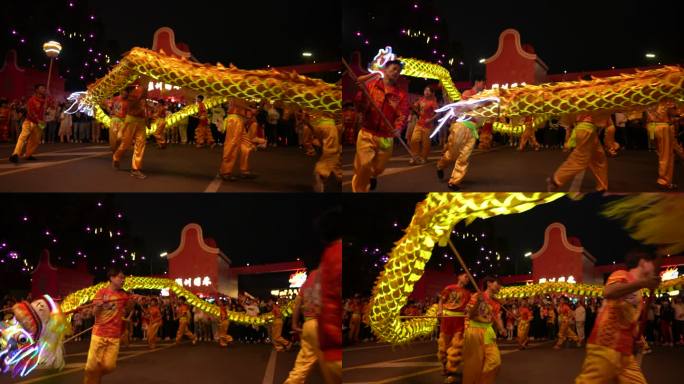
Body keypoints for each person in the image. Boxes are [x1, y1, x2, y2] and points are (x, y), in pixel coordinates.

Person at [575, 249, 660, 383]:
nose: (654, 267)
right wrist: (643, 283)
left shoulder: (638, 291)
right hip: (605, 346)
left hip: (625, 354)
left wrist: (636, 339)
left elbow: (630, 320)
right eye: (651, 263)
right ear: (643, 263)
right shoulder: (622, 275)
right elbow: (609, 292)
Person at [352, 60, 409, 192]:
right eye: (394, 69)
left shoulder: (400, 95)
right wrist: (361, 94)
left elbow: (403, 114)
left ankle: (373, 175)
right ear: (385, 69)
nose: (396, 72)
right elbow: (360, 107)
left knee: (378, 168)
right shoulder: (371, 86)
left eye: (398, 71)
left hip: (386, 137)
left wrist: (398, 128)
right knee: (364, 165)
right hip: (367, 132)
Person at [83, 267, 132, 384]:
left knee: (110, 366)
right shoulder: (101, 292)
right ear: (111, 278)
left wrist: (131, 301)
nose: (123, 280)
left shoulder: (123, 294)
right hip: (99, 334)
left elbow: (129, 308)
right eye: (120, 277)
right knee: (91, 367)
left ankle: (95, 377)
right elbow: (94, 313)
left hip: (114, 336)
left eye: (124, 278)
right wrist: (98, 306)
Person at [436, 80, 485, 190]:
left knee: (464, 157)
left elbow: (482, 117)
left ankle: (454, 182)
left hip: (472, 131)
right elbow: (462, 108)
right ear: (477, 82)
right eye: (483, 83)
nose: (484, 85)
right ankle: (440, 166)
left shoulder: (483, 98)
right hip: (461, 127)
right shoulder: (467, 94)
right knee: (452, 154)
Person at [547, 110, 609, 192]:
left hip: (589, 130)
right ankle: (556, 179)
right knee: (580, 159)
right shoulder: (581, 100)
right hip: (585, 129)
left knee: (599, 158)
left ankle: (602, 185)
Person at [462, 276, 506, 384]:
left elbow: (497, 318)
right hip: (474, 331)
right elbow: (469, 315)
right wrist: (478, 302)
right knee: (474, 365)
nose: (499, 286)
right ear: (489, 284)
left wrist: (501, 328)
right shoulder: (477, 296)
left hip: (488, 332)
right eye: (497, 283)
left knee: (495, 361)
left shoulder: (496, 302)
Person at [283, 269, 320, 384]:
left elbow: (297, 305)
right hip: (322, 324)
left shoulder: (306, 284)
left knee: (302, 365)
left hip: (308, 324)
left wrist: (294, 324)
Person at [437, 272, 471, 383]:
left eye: (469, 278)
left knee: (456, 346)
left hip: (459, 321)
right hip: (447, 319)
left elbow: (468, 308)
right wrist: (440, 310)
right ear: (459, 277)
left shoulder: (468, 293)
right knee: (444, 346)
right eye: (466, 276)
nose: (467, 279)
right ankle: (444, 365)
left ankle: (451, 370)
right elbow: (441, 300)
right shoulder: (449, 288)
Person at [112, 81, 149, 179]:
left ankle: (135, 169)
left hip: (141, 122)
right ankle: (116, 157)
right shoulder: (134, 94)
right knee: (126, 144)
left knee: (141, 144)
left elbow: (145, 107)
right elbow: (137, 99)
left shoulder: (142, 93)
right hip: (131, 121)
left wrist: (147, 120)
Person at [646, 99, 683, 190]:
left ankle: (664, 178)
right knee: (667, 155)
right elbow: (673, 114)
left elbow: (647, 117)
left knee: (661, 151)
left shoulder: (650, 100)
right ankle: (664, 180)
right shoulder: (667, 100)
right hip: (663, 127)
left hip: (652, 127)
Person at [219, 100, 257, 181]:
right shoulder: (237, 89)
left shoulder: (245, 91)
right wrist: (249, 108)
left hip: (239, 120)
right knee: (232, 145)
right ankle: (225, 172)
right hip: (234, 119)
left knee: (246, 144)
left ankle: (244, 171)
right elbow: (236, 101)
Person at [9, 84, 47, 163]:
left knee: (35, 140)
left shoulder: (44, 100)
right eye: (42, 88)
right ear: (37, 90)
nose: (44, 90)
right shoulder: (32, 100)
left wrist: (48, 99)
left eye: (44, 88)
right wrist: (37, 119)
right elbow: (30, 112)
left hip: (39, 124)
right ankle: (15, 154)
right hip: (29, 122)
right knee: (22, 137)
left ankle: (28, 154)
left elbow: (51, 106)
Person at [409, 85, 439, 164]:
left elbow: (438, 113)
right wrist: (412, 106)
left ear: (432, 93)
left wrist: (430, 119)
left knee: (426, 143)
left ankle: (423, 157)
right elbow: (415, 107)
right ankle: (415, 157)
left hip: (428, 126)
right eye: (425, 90)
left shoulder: (433, 102)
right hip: (419, 124)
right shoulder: (421, 100)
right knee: (414, 140)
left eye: (428, 91)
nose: (426, 92)